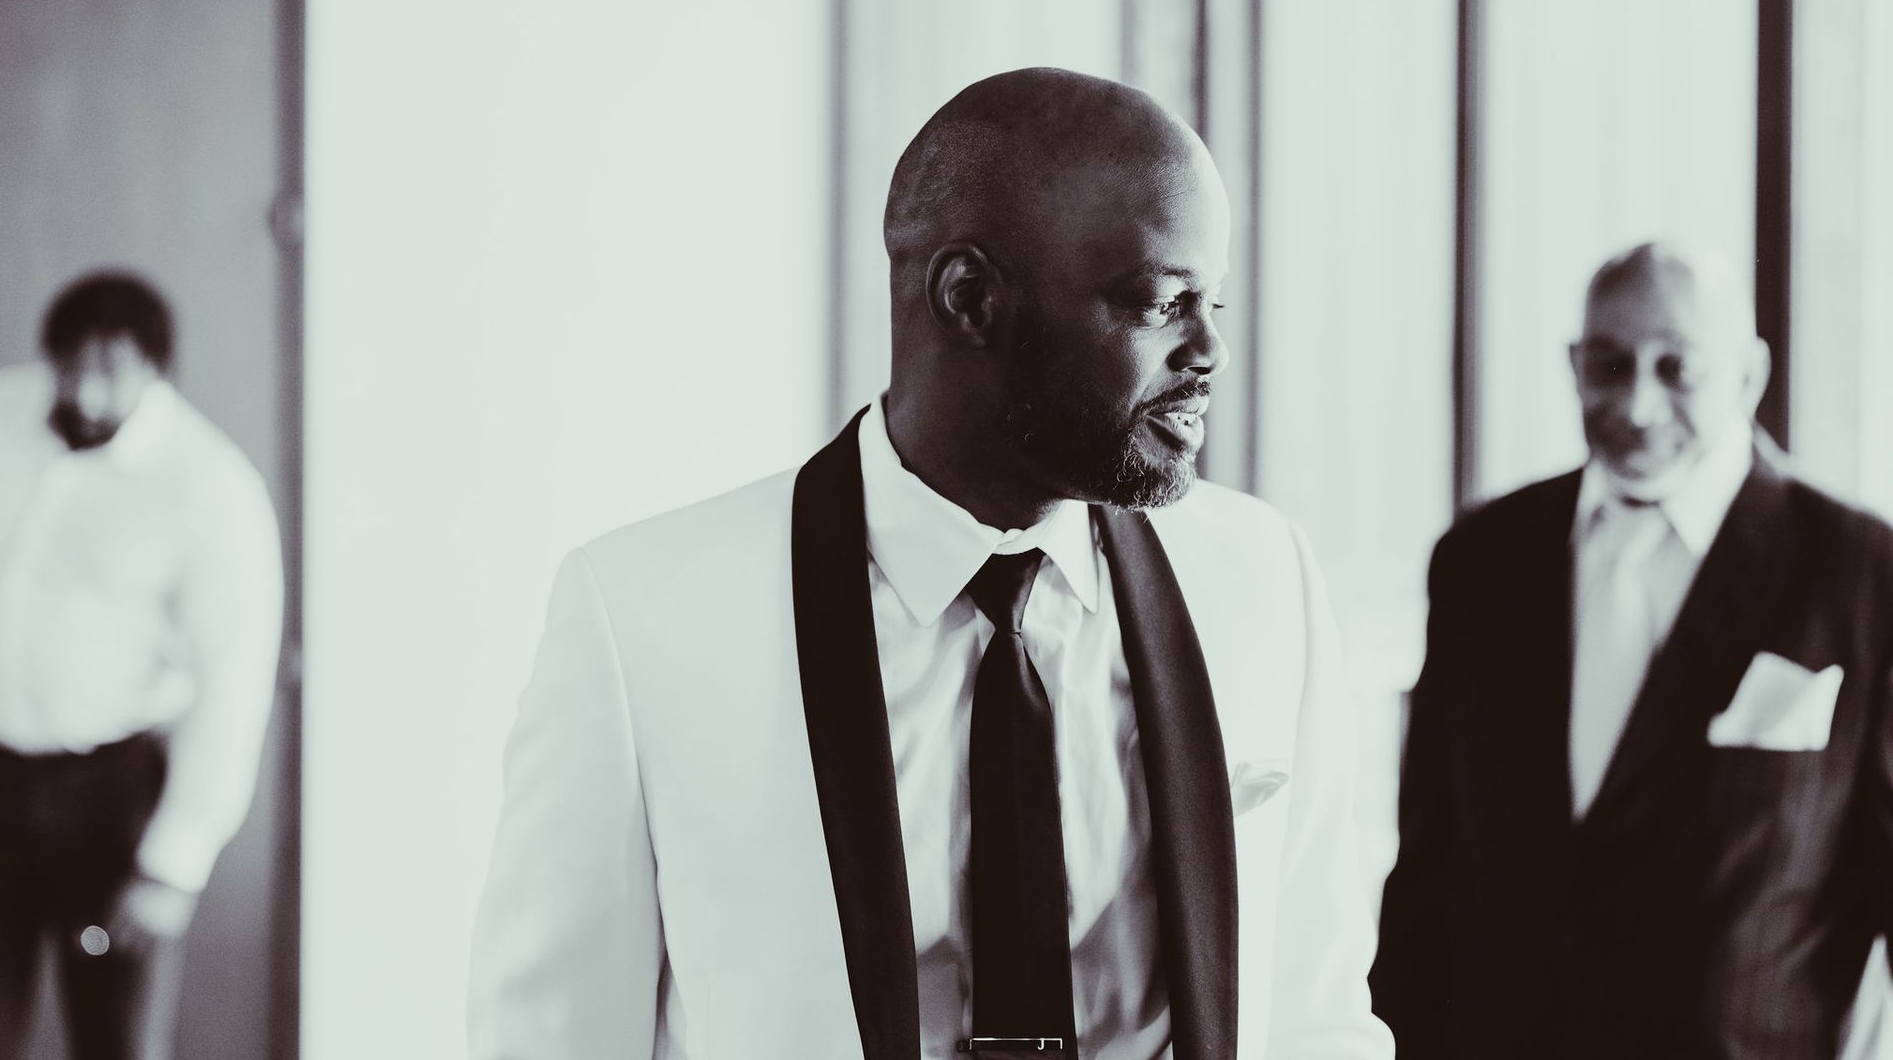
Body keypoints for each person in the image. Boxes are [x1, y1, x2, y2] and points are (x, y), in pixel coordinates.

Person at [469, 67, 1392, 1059]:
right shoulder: (640, 621)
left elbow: (1314, 1016)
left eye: (1213, 302)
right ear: (969, 297)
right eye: (1161, 304)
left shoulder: (1263, 578)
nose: (1209, 350)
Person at [1372, 241, 1893, 1059]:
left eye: (1676, 368)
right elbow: (1426, 875)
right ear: (1574, 364)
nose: (1638, 404)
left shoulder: (1860, 570)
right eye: (1610, 367)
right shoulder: (1479, 561)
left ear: (1749, 376)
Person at [0, 271, 284, 1060]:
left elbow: (234, 681)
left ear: (154, 369)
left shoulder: (211, 490)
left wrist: (176, 862)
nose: (87, 389)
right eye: (72, 363)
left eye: (112, 368)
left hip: (107, 805)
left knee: (115, 1041)